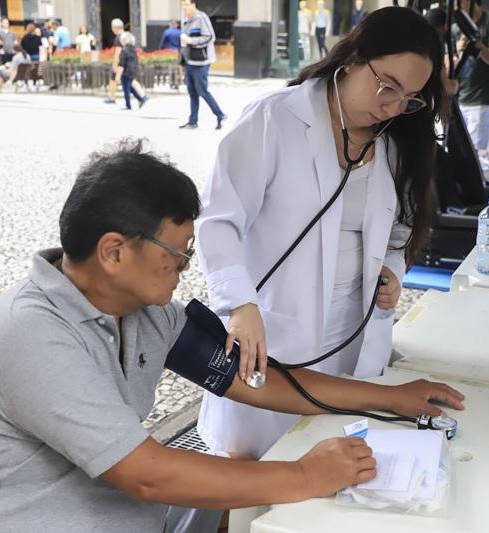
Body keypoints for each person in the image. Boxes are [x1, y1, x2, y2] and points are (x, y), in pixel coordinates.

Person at [0, 138, 465, 532]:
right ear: (114, 252)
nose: (185, 268)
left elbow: (256, 380)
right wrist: (306, 475)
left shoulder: (147, 313)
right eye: (177, 255)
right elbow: (146, 475)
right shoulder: (33, 335)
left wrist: (389, 397)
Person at [195, 6, 445, 485]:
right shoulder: (274, 119)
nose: (393, 107)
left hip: (353, 333)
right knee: (252, 473)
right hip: (274, 331)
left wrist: (392, 272)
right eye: (387, 86)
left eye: (409, 98)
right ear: (352, 59)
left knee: (336, 469)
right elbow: (218, 220)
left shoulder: (395, 142)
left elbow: (399, 235)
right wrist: (240, 305)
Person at [454, 0, 489, 157]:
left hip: (482, 97)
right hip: (460, 96)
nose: (457, 5)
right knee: (458, 150)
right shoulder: (456, 27)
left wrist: (479, 48)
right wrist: (458, 50)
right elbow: (448, 63)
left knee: (473, 151)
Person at [179, 0, 226, 130]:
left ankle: (220, 115)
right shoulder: (186, 20)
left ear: (193, 4)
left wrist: (191, 41)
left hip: (201, 62)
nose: (184, 8)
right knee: (192, 92)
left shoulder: (201, 17)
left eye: (186, 5)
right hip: (189, 62)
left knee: (202, 91)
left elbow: (210, 37)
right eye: (182, 5)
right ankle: (192, 121)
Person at [105, 18, 146, 105]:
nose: (112, 30)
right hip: (130, 62)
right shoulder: (128, 35)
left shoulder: (119, 38)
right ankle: (113, 97)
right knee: (124, 79)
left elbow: (118, 53)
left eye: (112, 27)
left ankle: (140, 97)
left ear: (115, 28)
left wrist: (115, 65)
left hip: (123, 63)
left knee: (127, 80)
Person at [118, 32, 148, 110]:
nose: (120, 41)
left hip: (126, 71)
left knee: (126, 88)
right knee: (129, 87)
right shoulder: (133, 49)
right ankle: (141, 99)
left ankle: (128, 105)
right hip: (133, 70)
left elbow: (121, 63)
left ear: (125, 40)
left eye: (121, 39)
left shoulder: (124, 50)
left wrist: (118, 75)